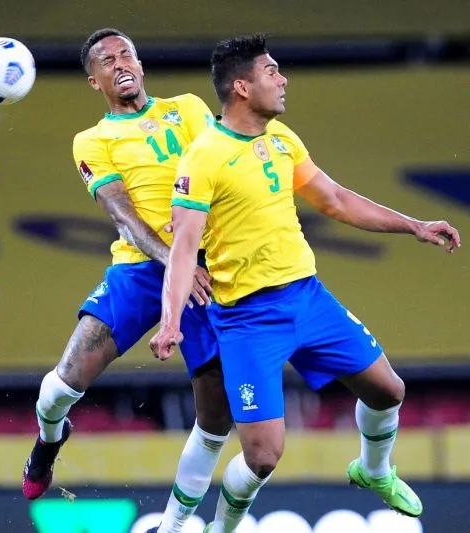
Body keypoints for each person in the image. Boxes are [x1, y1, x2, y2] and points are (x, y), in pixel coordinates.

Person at [150, 34, 461, 532]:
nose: (283, 78)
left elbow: (336, 200)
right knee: (264, 455)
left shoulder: (282, 140)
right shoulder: (203, 157)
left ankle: (374, 469)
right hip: (248, 320)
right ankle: (223, 528)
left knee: (388, 391)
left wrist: (414, 225)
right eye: (271, 71)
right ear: (242, 86)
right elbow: (184, 248)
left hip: (307, 298)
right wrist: (170, 323)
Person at [22, 28, 233, 533]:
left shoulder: (187, 108)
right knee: (62, 386)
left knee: (216, 416)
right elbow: (122, 214)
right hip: (140, 267)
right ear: (93, 80)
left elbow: (224, 168)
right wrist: (174, 262)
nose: (119, 64)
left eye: (126, 55)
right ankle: (48, 443)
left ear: (140, 64)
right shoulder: (92, 140)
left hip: (210, 264)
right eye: (106, 60)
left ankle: (177, 523)